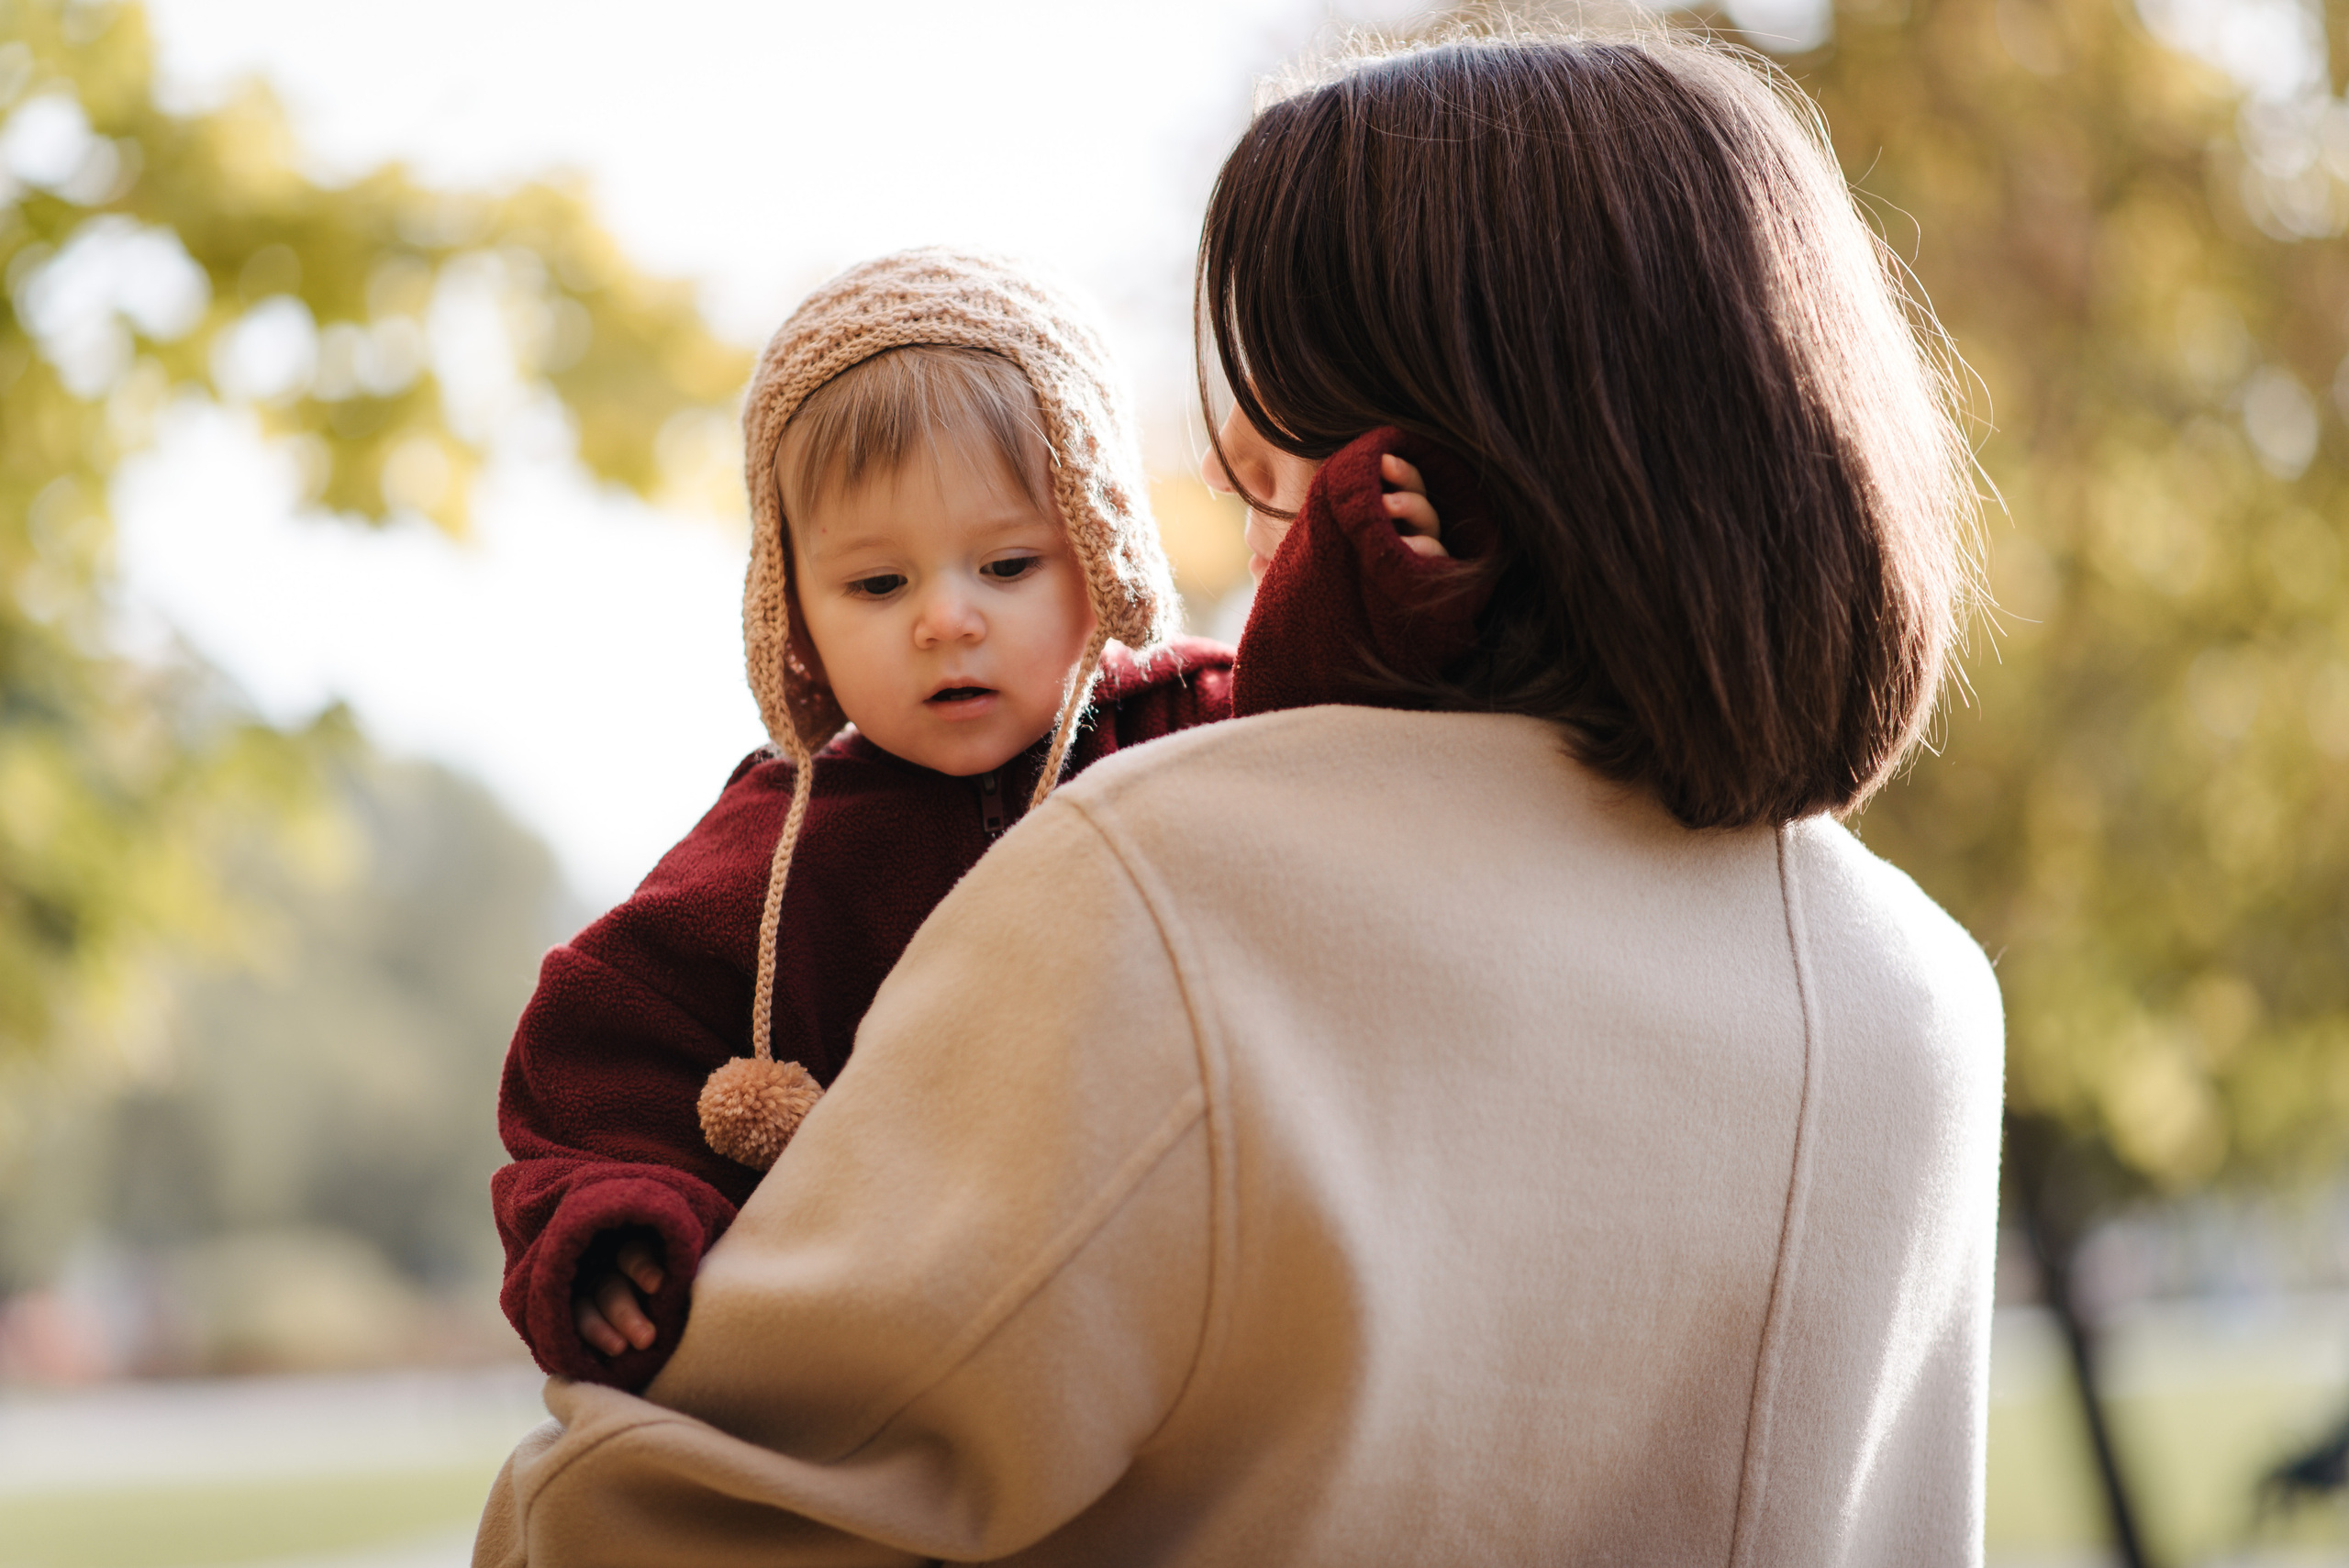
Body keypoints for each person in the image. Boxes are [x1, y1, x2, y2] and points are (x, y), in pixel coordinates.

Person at [476, 30, 2004, 1568]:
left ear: (1413, 459)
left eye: (1277, 429)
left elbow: (670, 1510)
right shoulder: (1925, 990)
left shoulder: (1163, 888)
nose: (1234, 481)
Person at [490, 247, 1455, 1389]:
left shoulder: (1193, 723)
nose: (946, 619)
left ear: (1100, 555)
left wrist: (1372, 565)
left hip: (1202, 1285)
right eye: (877, 585)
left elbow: (1343, 726)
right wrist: (614, 1225)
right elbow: (596, 1060)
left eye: (1005, 563)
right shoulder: (771, 856)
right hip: (917, 1342)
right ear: (791, 607)